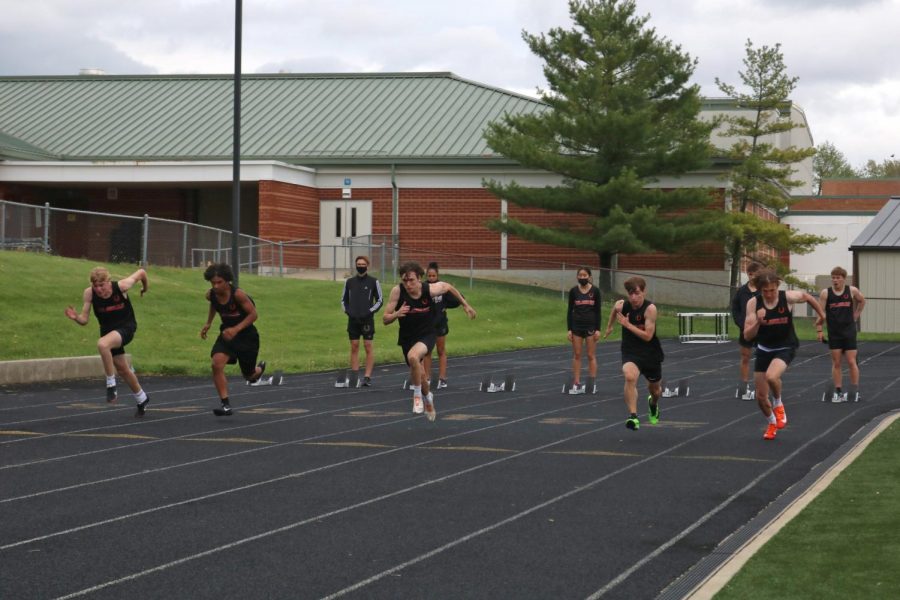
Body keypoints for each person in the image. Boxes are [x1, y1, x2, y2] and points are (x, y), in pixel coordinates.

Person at [383, 261, 476, 422]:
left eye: (411, 280)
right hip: (407, 337)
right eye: (405, 281)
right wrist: (396, 314)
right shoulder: (397, 292)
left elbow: (448, 287)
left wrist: (465, 305)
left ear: (420, 278)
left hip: (427, 334)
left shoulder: (430, 290)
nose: (408, 284)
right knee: (421, 374)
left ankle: (417, 395)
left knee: (414, 357)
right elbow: (385, 319)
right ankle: (428, 399)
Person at [744, 269, 826, 440]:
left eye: (772, 290)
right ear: (760, 290)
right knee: (760, 397)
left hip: (785, 346)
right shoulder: (753, 304)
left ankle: (778, 403)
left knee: (772, 377)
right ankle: (772, 422)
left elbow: (808, 297)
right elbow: (747, 336)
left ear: (777, 287)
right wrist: (758, 322)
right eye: (765, 291)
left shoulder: (787, 298)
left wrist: (821, 315)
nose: (769, 294)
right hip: (764, 349)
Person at [65, 266, 151, 417]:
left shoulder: (122, 286)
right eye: (95, 286)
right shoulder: (89, 293)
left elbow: (142, 272)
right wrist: (76, 318)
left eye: (101, 285)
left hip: (126, 328)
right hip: (108, 332)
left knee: (102, 344)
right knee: (123, 369)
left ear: (108, 282)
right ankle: (142, 398)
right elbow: (84, 319)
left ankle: (111, 384)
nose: (99, 289)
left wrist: (144, 289)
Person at [200, 263, 267, 416]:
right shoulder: (211, 295)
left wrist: (236, 329)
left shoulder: (238, 295)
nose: (215, 286)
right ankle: (225, 405)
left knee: (249, 376)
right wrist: (208, 323)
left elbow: (253, 315)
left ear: (227, 281)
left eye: (219, 282)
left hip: (247, 337)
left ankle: (259, 370)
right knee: (216, 364)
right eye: (213, 283)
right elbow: (213, 305)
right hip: (227, 336)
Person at [603, 276, 664, 430]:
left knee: (655, 390)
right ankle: (633, 416)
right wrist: (609, 326)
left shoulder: (650, 309)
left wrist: (628, 325)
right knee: (630, 376)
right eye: (630, 294)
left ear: (643, 292)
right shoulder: (622, 305)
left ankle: (653, 404)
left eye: (637, 293)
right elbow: (614, 309)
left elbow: (648, 336)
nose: (634, 297)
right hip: (631, 351)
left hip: (650, 352)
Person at [818, 266, 866, 402]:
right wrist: (819, 330)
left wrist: (856, 315)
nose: (835, 280)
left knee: (851, 361)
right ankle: (838, 391)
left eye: (838, 278)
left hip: (849, 331)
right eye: (833, 278)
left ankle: (854, 390)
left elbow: (862, 300)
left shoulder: (851, 290)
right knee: (837, 362)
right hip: (834, 332)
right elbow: (820, 312)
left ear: (844, 279)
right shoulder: (825, 293)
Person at [341, 255, 383, 386]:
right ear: (355, 265)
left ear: (367, 265)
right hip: (353, 320)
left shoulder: (373, 281)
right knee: (354, 346)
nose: (360, 266)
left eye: (363, 264)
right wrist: (348, 312)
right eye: (358, 264)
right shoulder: (349, 282)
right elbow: (343, 300)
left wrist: (369, 311)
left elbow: (380, 300)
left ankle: (367, 377)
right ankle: (354, 376)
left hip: (367, 320)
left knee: (368, 346)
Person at [422, 262, 460, 389]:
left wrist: (445, 306)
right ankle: (427, 377)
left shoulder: (443, 287)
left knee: (441, 350)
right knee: (427, 351)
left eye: (434, 276)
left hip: (440, 323)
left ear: (437, 275)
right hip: (427, 324)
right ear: (426, 275)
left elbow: (457, 299)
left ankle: (442, 378)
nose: (431, 278)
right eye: (429, 276)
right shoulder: (424, 287)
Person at [731, 260, 763, 399]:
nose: (752, 277)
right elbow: (735, 309)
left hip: (762, 329)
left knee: (763, 358)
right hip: (746, 329)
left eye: (754, 274)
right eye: (750, 274)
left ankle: (761, 386)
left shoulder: (764, 290)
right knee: (745, 357)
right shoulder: (741, 291)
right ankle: (744, 385)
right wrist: (741, 323)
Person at [566, 266, 601, 394]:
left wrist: (598, 329)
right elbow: (570, 311)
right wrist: (569, 329)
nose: (582, 277)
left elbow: (598, 311)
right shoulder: (573, 291)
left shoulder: (595, 291)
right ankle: (576, 382)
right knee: (577, 355)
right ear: (577, 277)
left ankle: (591, 382)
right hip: (576, 326)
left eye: (584, 275)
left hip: (591, 326)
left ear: (589, 277)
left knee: (591, 355)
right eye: (580, 275)